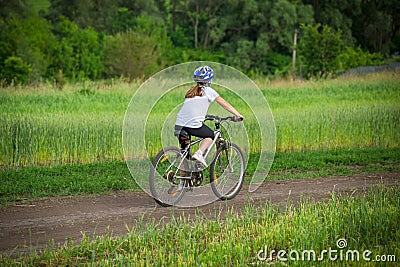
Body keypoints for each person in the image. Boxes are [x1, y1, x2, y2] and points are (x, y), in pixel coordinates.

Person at [174, 66, 243, 167]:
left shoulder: (191, 91)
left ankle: (181, 180)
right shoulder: (209, 91)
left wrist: (203, 115)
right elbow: (225, 104)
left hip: (179, 125)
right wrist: (238, 115)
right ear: (209, 80)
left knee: (184, 154)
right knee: (210, 135)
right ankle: (199, 154)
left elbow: (192, 108)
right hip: (192, 126)